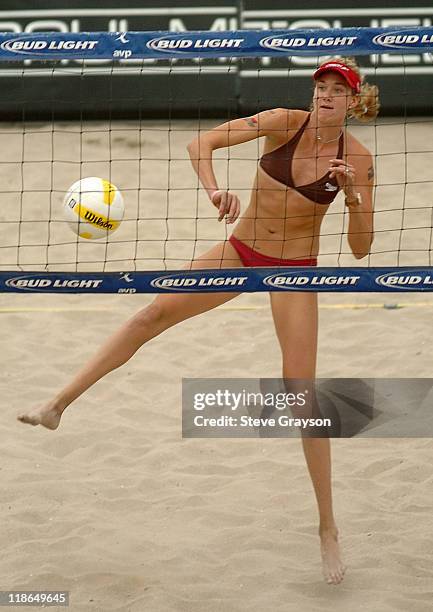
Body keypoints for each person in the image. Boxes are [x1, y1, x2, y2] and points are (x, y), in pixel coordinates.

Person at [18, 57, 379, 585]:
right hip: (239, 251)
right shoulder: (283, 122)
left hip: (293, 271)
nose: (324, 94)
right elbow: (199, 144)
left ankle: (328, 529)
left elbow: (363, 249)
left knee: (300, 392)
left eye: (336, 89)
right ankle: (56, 405)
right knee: (152, 312)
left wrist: (351, 193)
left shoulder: (359, 158)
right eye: (319, 86)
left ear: (353, 100)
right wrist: (214, 189)